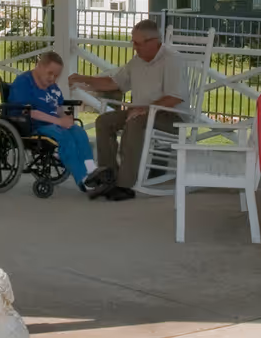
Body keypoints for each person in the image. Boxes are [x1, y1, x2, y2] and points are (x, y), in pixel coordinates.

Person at [69, 18, 187, 201]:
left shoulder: (173, 60)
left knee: (135, 121)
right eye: (133, 43)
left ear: (154, 42)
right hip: (142, 111)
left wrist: (146, 109)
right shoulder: (137, 61)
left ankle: (125, 185)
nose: (135, 48)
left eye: (138, 43)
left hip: (171, 116)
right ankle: (108, 176)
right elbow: (113, 83)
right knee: (104, 121)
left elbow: (175, 97)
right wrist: (82, 78)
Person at [6, 50, 93, 191]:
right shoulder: (24, 82)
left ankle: (91, 171)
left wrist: (64, 117)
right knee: (66, 139)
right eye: (50, 73)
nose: (53, 78)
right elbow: (29, 112)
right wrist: (58, 122)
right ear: (39, 66)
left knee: (80, 133)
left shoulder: (52, 86)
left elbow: (57, 107)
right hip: (34, 125)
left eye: (56, 75)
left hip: (53, 123)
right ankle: (82, 179)